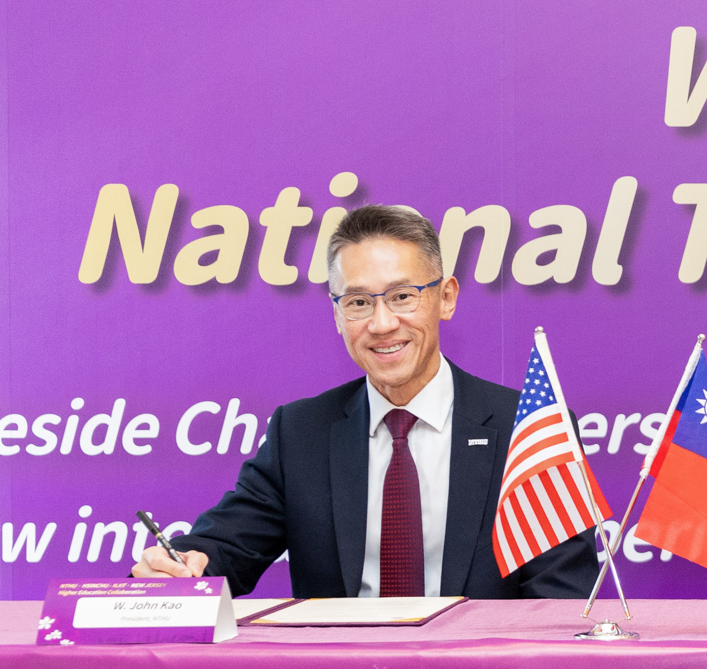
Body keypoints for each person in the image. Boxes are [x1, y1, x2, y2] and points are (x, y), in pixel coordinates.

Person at [132, 205, 599, 598]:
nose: (381, 324)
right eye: (357, 302)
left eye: (402, 296)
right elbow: (224, 550)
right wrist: (178, 567)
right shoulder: (301, 432)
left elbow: (560, 601)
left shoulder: (530, 430)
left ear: (446, 298)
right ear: (337, 314)